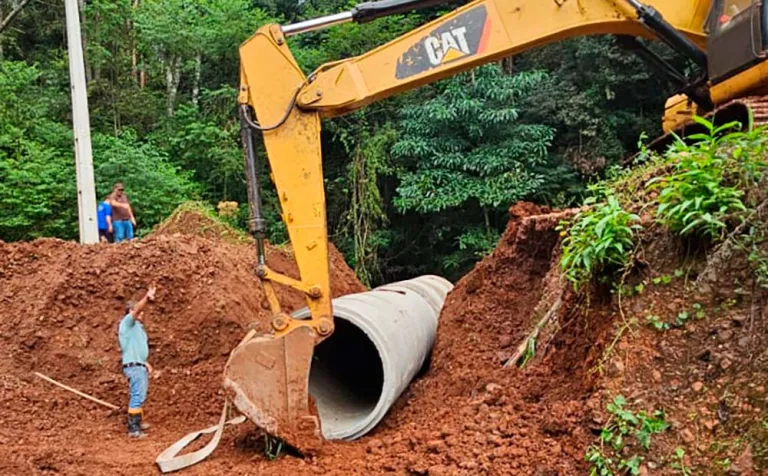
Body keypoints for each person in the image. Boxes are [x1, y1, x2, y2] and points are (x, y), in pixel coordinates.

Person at [118, 285, 157, 438]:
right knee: (137, 395)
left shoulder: (137, 329)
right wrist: (147, 297)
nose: (142, 313)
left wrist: (145, 362)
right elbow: (137, 310)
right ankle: (133, 429)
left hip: (138, 364)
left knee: (140, 394)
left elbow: (134, 349)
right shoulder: (127, 323)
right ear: (130, 311)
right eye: (138, 311)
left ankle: (138, 422)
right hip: (134, 367)